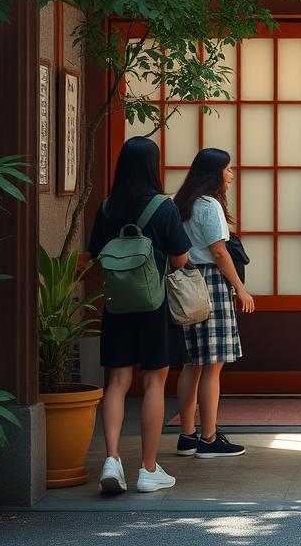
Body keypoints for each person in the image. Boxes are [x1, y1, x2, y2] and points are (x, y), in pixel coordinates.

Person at [89, 136, 191, 495]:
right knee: (153, 383)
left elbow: (95, 254)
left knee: (117, 382)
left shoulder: (106, 208)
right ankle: (148, 469)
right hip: (155, 305)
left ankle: (111, 460)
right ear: (152, 166)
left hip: (117, 304)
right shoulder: (164, 208)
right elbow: (180, 258)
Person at [173, 148, 256, 459]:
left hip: (188, 281)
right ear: (215, 173)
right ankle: (209, 438)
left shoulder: (182, 203)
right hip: (211, 283)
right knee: (212, 365)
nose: (231, 175)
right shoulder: (209, 205)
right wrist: (240, 289)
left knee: (192, 364)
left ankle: (187, 436)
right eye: (228, 169)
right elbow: (219, 252)